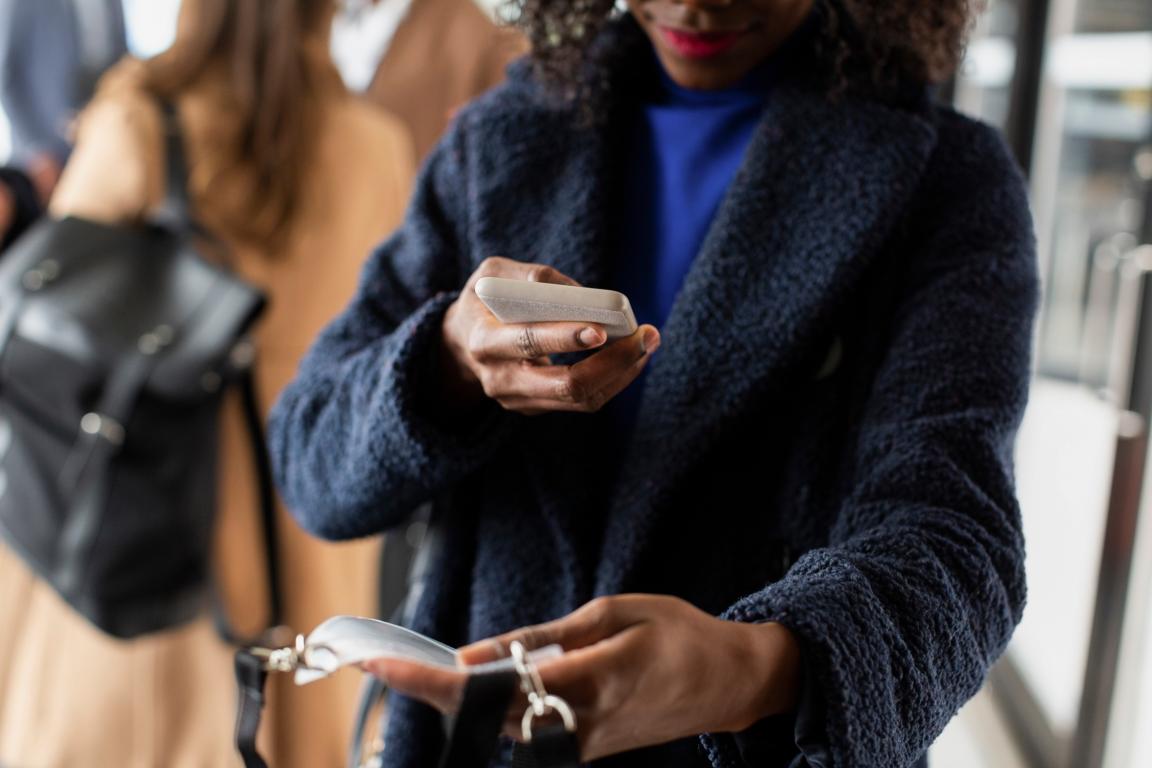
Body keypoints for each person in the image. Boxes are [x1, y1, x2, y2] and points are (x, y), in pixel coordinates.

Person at [269, 0, 1039, 765]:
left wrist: (751, 667)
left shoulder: (943, 180)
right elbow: (309, 461)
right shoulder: (499, 141)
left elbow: (958, 546)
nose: (696, 5)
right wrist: (445, 361)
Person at [0, 1, 414, 766]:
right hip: (303, 504)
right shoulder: (377, 145)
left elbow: (48, 313)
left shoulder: (142, 117)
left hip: (153, 499)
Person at [0, 0, 128, 197]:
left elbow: (122, 64)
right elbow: (8, 77)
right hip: (46, 156)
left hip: (100, 145)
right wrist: (36, 149)